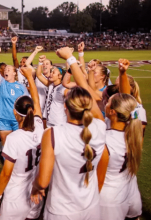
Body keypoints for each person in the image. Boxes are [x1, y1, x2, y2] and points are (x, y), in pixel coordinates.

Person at [31, 47, 109, 220]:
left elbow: (43, 181)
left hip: (62, 211)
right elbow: (87, 89)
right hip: (91, 207)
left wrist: (36, 186)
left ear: (65, 106)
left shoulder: (52, 134)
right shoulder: (100, 127)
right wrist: (71, 58)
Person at [0, 67, 44, 219]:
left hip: (17, 194)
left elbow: (6, 173)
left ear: (15, 113)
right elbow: (36, 101)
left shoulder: (14, 138)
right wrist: (30, 78)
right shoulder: (40, 126)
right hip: (35, 188)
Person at [100, 93, 143, 220]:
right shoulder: (133, 136)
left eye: (108, 102)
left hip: (106, 201)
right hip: (123, 195)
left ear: (112, 112)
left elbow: (98, 179)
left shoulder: (104, 140)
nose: (105, 103)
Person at [0, 47, 29, 145]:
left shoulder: (21, 86)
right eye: (5, 70)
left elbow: (26, 102)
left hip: (17, 119)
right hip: (3, 119)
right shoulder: (1, 83)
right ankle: (6, 160)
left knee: (18, 144)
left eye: (8, 69)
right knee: (6, 144)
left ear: (14, 73)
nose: (6, 71)